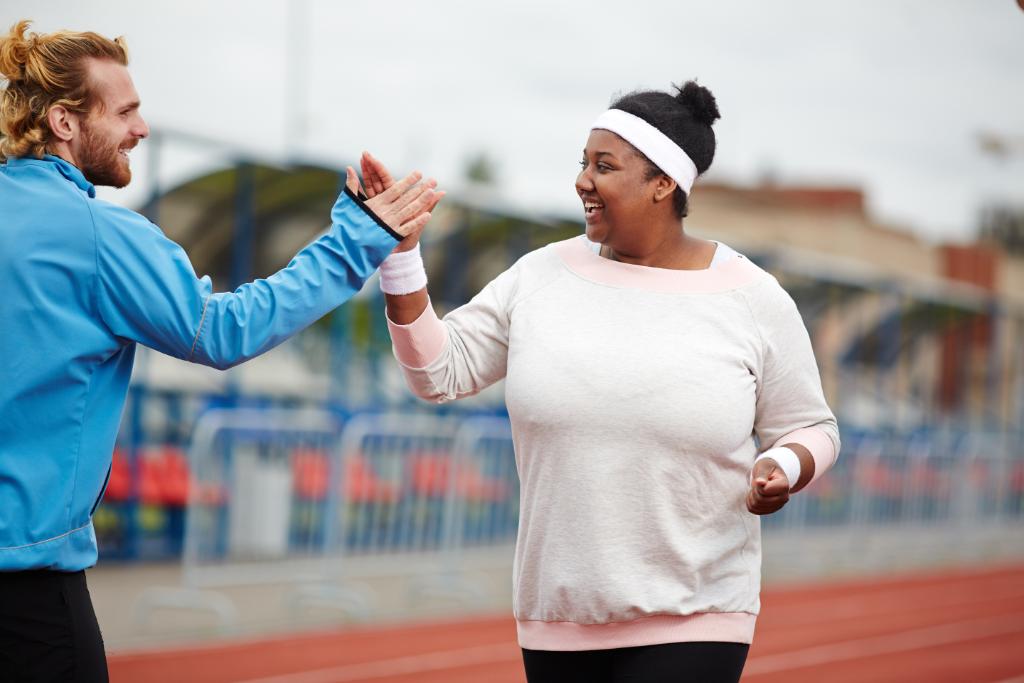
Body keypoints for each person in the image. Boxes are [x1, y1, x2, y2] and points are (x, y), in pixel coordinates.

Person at [0, 20, 439, 682]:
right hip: (26, 588)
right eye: (126, 111)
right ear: (64, 121)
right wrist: (359, 237)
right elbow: (221, 331)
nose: (140, 129)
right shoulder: (97, 234)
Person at [367, 79, 839, 682]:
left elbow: (811, 426)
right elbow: (439, 372)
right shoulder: (540, 276)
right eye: (582, 163)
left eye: (604, 166)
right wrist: (401, 257)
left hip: (696, 614)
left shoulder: (751, 298)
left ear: (663, 183)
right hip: (558, 618)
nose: (582, 181)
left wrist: (788, 467)